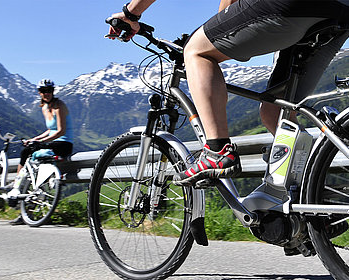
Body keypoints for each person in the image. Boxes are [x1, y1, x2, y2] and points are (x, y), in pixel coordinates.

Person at [108, 0, 349, 185]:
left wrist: (130, 14)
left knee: (196, 51)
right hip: (340, 10)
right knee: (276, 111)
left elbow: (226, 11)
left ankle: (216, 151)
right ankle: (310, 203)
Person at [9, 78, 73, 225]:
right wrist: (34, 139)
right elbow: (50, 130)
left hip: (64, 144)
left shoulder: (59, 105)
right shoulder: (44, 107)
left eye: (49, 90)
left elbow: (61, 130)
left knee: (30, 153)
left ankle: (18, 188)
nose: (47, 93)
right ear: (39, 93)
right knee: (26, 152)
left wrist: (41, 143)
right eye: (44, 91)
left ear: (53, 91)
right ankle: (19, 192)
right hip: (52, 141)